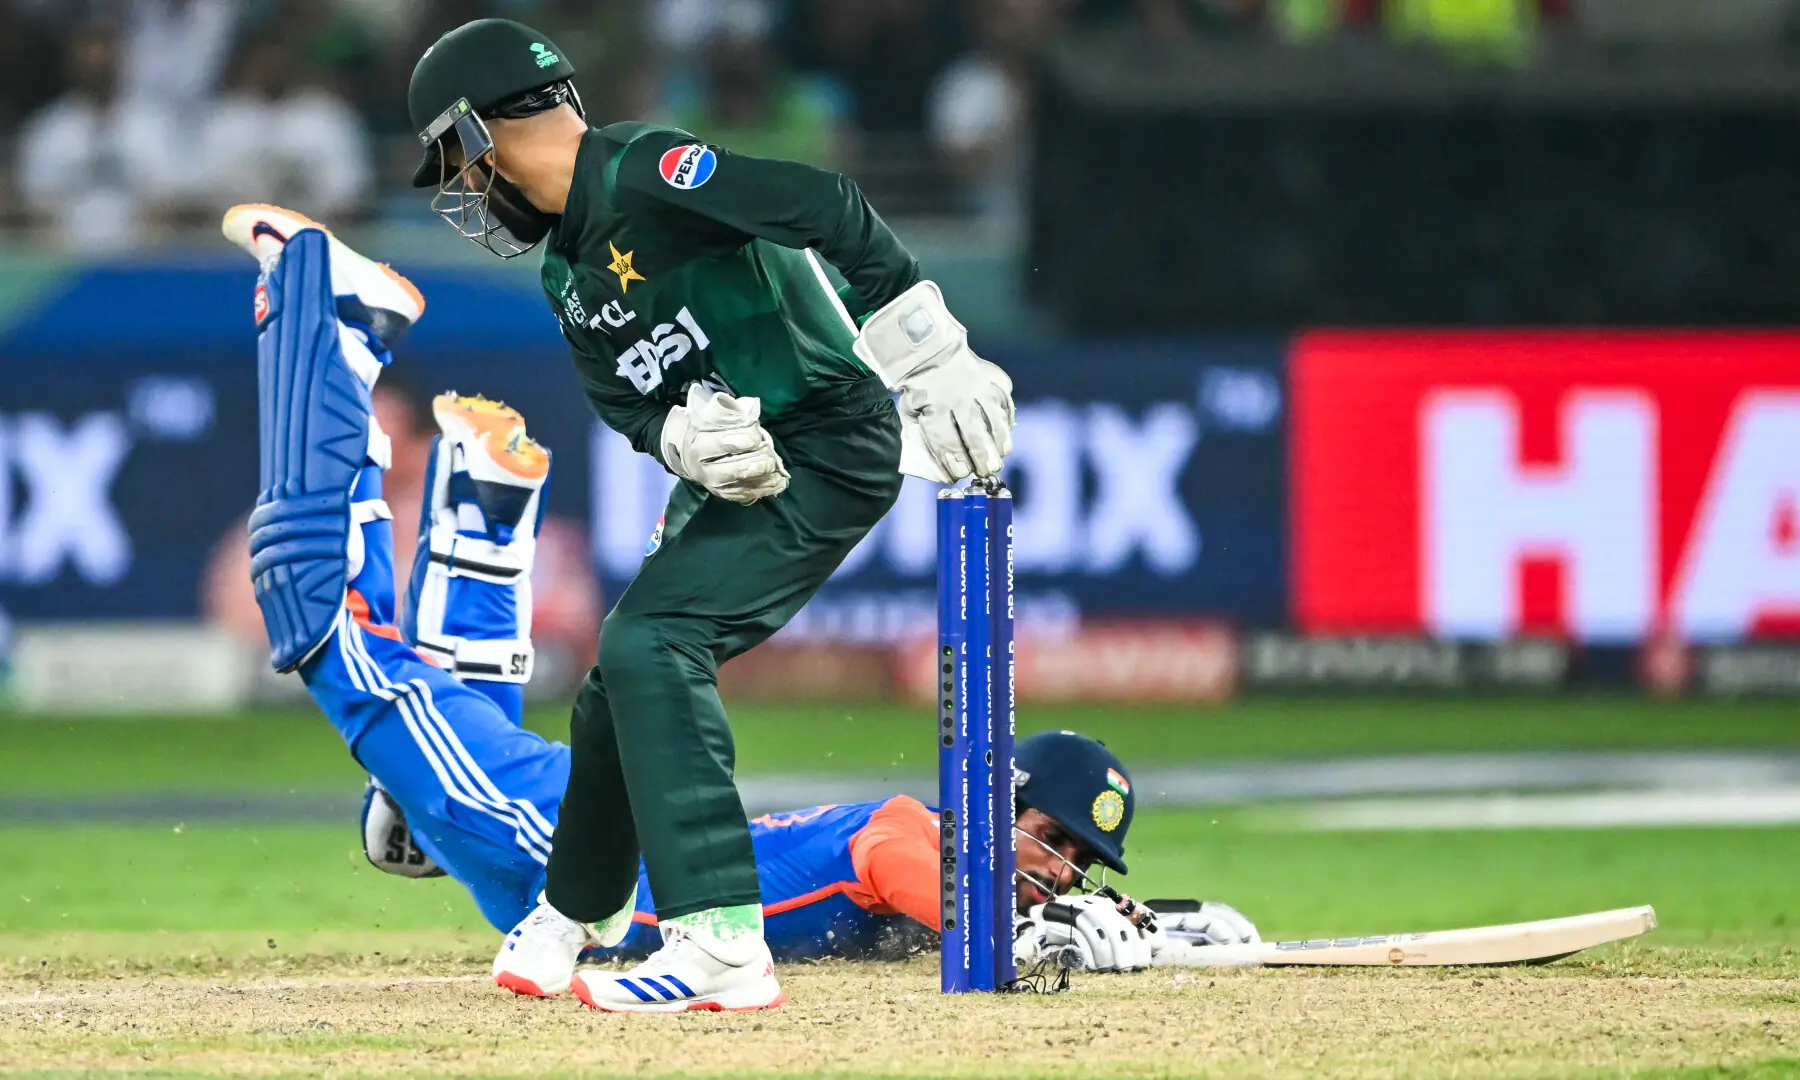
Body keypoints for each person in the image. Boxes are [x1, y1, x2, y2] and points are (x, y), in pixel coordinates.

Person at [221, 205, 1251, 1009]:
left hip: (575, 878)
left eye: (1075, 861)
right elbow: (889, 859)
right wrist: (1021, 934)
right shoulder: (911, 838)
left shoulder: (957, 900)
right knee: (327, 631)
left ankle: (482, 535)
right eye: (1051, 834)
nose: (1055, 866)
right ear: (991, 799)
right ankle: (342, 335)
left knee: (433, 800)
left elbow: (963, 915)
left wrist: (1155, 932)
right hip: (569, 858)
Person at [404, 18, 1017, 1013]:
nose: (462, 189)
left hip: (829, 435)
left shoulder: (645, 170)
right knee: (619, 673)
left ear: (494, 127)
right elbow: (629, 398)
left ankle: (721, 943)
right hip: (743, 466)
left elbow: (823, 203)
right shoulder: (566, 270)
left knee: (655, 643)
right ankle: (579, 910)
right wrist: (676, 439)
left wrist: (924, 342)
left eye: (456, 161)